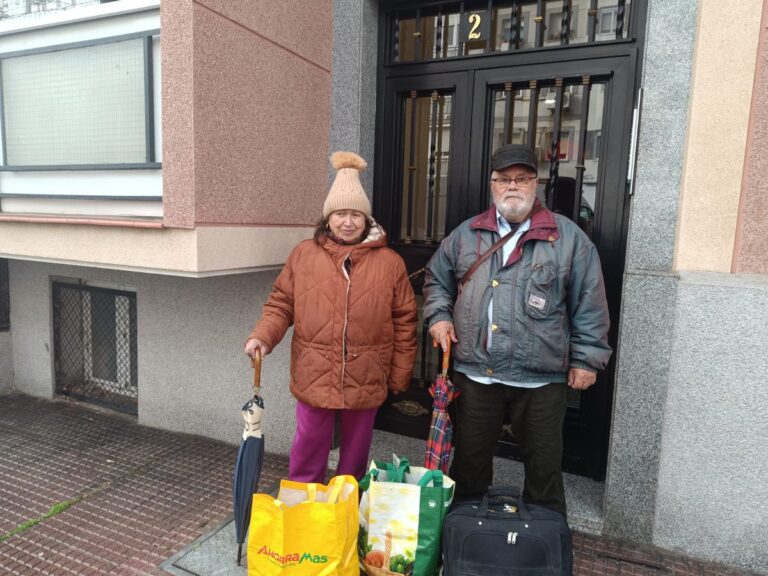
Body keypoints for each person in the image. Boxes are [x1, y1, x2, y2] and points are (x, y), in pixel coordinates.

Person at [423, 144, 611, 518]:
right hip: (477, 374)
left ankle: (544, 546)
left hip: (541, 379)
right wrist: (438, 317)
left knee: (544, 471)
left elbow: (590, 302)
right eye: (504, 179)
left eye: (522, 179)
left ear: (535, 184)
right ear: (492, 185)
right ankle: (466, 538)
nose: (513, 186)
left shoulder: (568, 238)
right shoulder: (466, 234)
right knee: (470, 466)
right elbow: (436, 279)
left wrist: (587, 360)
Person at [244, 151, 418, 483]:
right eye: (340, 214)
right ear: (328, 218)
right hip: (314, 372)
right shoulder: (303, 255)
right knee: (309, 448)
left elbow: (405, 321)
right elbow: (281, 304)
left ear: (367, 219)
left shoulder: (390, 262)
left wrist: (398, 376)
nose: (348, 222)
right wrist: (263, 336)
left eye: (355, 214)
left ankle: (344, 513)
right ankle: (303, 511)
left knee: (355, 455)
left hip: (366, 374)